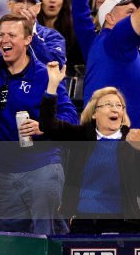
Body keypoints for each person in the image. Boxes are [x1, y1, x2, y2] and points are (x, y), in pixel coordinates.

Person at [0, 14, 78, 234]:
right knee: (9, 244)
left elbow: (71, 116)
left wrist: (44, 125)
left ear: (28, 39)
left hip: (42, 168)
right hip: (4, 174)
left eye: (12, 35)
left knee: (46, 238)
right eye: (1, 34)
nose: (4, 40)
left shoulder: (44, 75)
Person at [41, 63, 140, 234]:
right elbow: (47, 125)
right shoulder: (82, 136)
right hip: (83, 219)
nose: (114, 109)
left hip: (121, 222)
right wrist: (52, 86)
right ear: (94, 113)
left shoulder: (133, 140)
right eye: (108, 104)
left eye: (119, 106)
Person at [72, 0, 140, 127]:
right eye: (129, 12)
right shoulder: (117, 39)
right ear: (109, 18)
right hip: (124, 141)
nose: (134, 16)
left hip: (97, 135)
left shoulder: (94, 44)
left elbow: (80, 14)